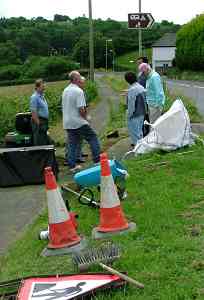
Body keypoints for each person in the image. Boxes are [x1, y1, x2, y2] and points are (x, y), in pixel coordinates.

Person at [62, 70, 100, 172]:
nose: (80, 78)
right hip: (78, 121)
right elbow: (81, 109)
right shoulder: (78, 91)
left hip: (67, 122)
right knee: (93, 138)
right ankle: (97, 160)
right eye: (79, 77)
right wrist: (86, 118)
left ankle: (72, 166)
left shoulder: (65, 90)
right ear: (75, 79)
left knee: (73, 144)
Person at [124, 71, 147, 146]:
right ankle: (142, 149)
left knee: (135, 134)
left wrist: (129, 115)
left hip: (135, 115)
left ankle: (138, 151)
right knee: (140, 132)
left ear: (127, 80)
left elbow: (131, 106)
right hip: (142, 113)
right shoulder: (141, 87)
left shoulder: (132, 90)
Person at [30, 79, 52, 146]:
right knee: (39, 140)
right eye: (42, 87)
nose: (44, 88)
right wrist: (39, 124)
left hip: (44, 121)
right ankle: (38, 154)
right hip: (39, 121)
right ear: (37, 87)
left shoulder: (42, 96)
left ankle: (44, 155)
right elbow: (33, 112)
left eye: (44, 87)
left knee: (44, 139)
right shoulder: (34, 97)